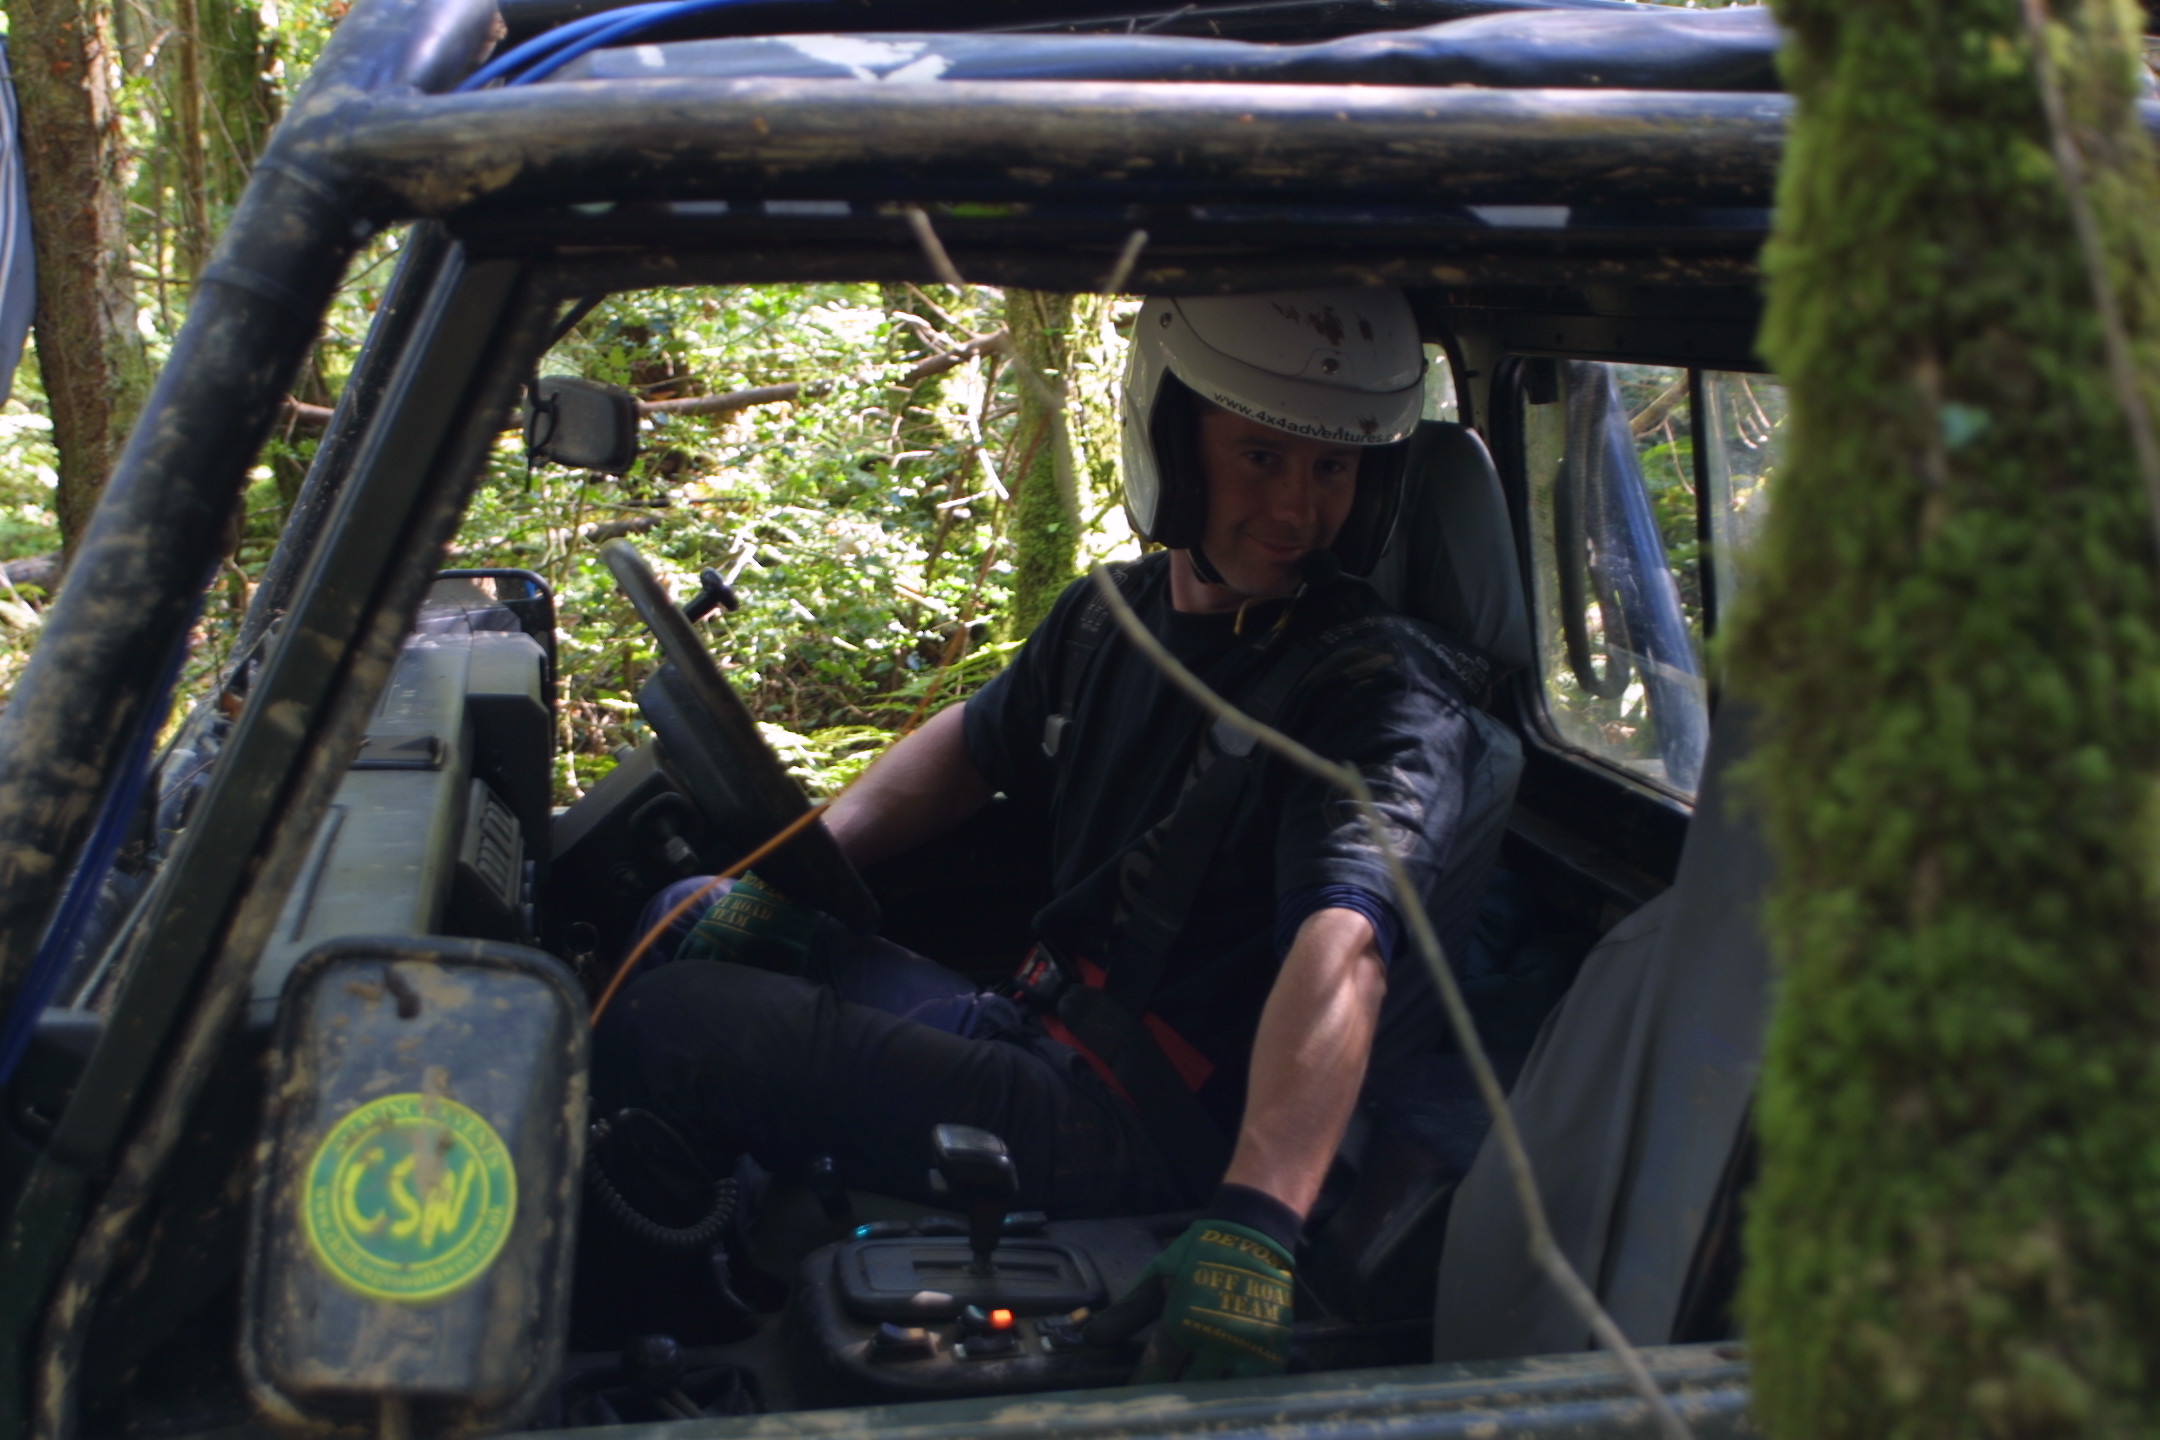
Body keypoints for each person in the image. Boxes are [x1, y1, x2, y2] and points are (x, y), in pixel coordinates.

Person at [592, 287, 1523, 1380]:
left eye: (1333, 469)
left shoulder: (1382, 695)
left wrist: (1257, 1218)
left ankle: (669, 1358)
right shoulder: (1108, 618)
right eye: (1261, 457)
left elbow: (1348, 942)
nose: (1297, 509)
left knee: (672, 1022)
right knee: (683, 916)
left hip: (1137, 1116)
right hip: (1037, 1022)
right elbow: (967, 747)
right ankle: (733, 1250)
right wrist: (794, 881)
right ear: (1168, 442)